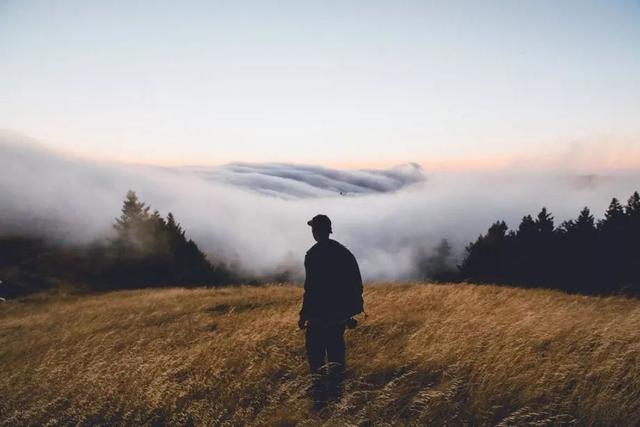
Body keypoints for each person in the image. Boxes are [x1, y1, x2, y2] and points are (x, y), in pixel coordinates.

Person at [298, 214, 364, 409]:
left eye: (313, 229)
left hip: (318, 318)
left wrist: (303, 315)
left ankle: (319, 403)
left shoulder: (313, 254)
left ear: (317, 231)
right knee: (336, 359)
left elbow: (310, 289)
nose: (312, 232)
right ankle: (337, 399)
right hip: (337, 318)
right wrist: (348, 312)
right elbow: (357, 285)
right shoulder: (344, 253)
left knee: (316, 360)